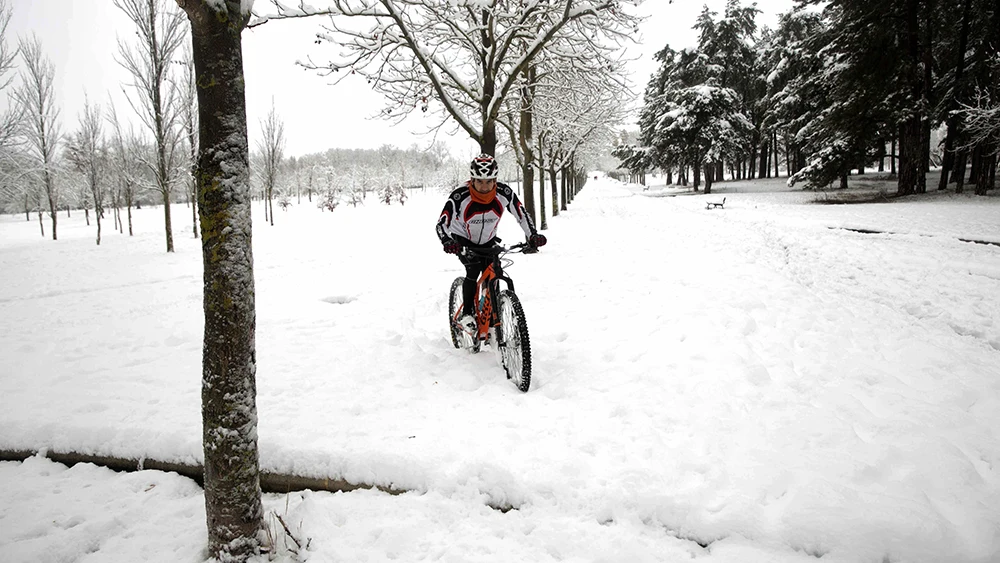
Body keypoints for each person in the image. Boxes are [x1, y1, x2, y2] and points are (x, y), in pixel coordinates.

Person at [436, 154, 547, 332]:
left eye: (489, 181)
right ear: (472, 179)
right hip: (462, 239)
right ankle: (467, 314)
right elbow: (441, 223)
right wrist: (447, 241)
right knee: (473, 269)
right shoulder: (459, 196)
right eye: (479, 181)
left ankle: (492, 313)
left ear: (495, 179)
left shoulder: (504, 193)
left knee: (495, 271)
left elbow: (521, 214)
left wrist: (533, 235)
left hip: (488, 240)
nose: (484, 186)